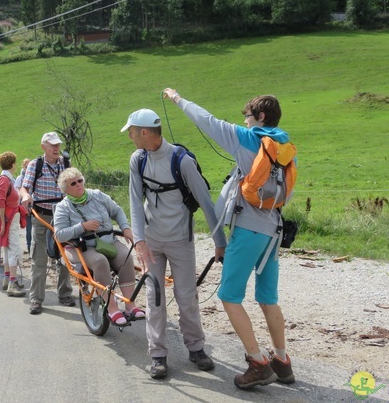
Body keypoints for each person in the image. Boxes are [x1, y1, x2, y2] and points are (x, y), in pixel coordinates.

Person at [163, 87, 296, 389]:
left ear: (259, 116)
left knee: (229, 297)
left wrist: (178, 98)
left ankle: (258, 363)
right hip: (273, 230)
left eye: (248, 116)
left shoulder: (247, 138)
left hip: (248, 229)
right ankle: (282, 361)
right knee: (268, 298)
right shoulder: (286, 147)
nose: (246, 121)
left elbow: (206, 120)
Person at [122, 108, 226, 380]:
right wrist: (140, 241)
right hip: (151, 242)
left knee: (186, 295)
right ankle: (157, 354)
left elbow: (205, 201)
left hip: (180, 240)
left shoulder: (182, 161)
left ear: (144, 132)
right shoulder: (138, 159)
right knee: (154, 297)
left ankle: (196, 347)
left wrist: (220, 242)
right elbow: (134, 201)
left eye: (132, 131)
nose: (130, 136)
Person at [54, 168, 146, 324]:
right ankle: (112, 309)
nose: (78, 184)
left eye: (80, 180)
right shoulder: (64, 207)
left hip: (107, 241)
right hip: (81, 246)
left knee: (126, 258)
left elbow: (117, 211)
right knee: (100, 261)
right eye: (73, 183)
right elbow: (59, 235)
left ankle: (130, 305)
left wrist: (125, 228)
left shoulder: (97, 195)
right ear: (66, 190)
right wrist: (82, 226)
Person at [19, 132, 74, 315]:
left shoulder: (66, 164)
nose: (56, 148)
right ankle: (36, 298)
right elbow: (24, 187)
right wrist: (26, 196)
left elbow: (73, 185)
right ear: (44, 146)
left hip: (63, 216)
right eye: (52, 145)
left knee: (65, 258)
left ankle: (65, 293)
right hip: (42, 216)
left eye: (58, 144)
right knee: (39, 258)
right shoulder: (36, 164)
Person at [0, 152, 26, 297]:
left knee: (8, 248)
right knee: (14, 249)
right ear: (12, 164)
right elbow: (1, 201)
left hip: (9, 217)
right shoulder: (5, 179)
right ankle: (12, 282)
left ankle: (7, 279)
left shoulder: (6, 178)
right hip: (9, 218)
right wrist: (3, 223)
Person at [14, 158, 32, 254]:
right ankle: (30, 248)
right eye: (26, 166)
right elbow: (17, 193)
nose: (27, 168)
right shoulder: (20, 178)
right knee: (29, 229)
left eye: (29, 166)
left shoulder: (34, 176)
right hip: (25, 206)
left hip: (35, 205)